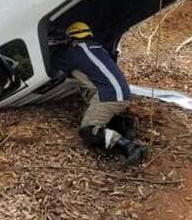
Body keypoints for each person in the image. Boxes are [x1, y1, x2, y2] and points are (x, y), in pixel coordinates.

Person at [52, 22, 148, 166]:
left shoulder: (73, 52)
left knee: (89, 131)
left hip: (108, 96)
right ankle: (122, 123)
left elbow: (56, 71)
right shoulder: (98, 47)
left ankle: (130, 146)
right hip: (122, 93)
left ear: (71, 38)